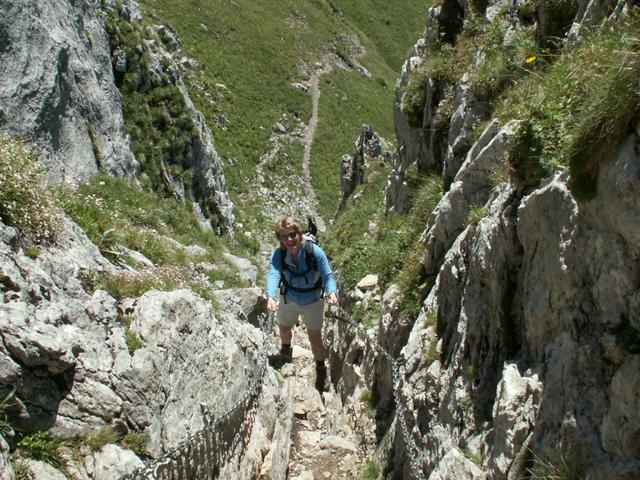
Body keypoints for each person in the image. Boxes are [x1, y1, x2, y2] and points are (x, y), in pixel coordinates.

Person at [265, 216, 338, 391]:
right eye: (284, 236)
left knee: (314, 337)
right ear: (280, 239)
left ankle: (321, 369)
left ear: (299, 234)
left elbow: (327, 275)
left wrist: (332, 292)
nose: (289, 240)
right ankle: (285, 352)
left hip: (313, 299)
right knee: (283, 328)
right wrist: (271, 296)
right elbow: (274, 274)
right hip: (289, 297)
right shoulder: (279, 254)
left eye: (292, 234)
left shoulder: (314, 251)